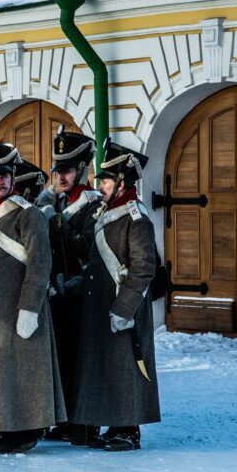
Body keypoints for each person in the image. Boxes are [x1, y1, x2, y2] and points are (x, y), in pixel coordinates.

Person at [0, 140, 64, 454]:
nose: (0, 181)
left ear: (14, 177)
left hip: (18, 306)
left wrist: (29, 308)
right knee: (0, 374)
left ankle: (24, 431)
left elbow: (39, 263)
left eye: (5, 174)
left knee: (21, 372)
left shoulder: (29, 214)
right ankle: (4, 429)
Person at [70, 138, 161, 452]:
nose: (101, 185)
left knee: (126, 367)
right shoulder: (106, 212)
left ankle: (128, 429)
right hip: (101, 303)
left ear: (123, 181)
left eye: (107, 179)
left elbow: (144, 266)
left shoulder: (136, 218)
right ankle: (113, 423)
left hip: (126, 305)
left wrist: (125, 307)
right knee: (107, 365)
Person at [45, 126, 102, 445]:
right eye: (58, 170)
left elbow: (87, 248)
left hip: (82, 292)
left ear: (81, 169)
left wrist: (60, 225)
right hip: (59, 291)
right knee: (64, 356)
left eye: (67, 170)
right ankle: (66, 418)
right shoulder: (56, 202)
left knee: (83, 360)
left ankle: (86, 422)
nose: (61, 176)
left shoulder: (93, 205)